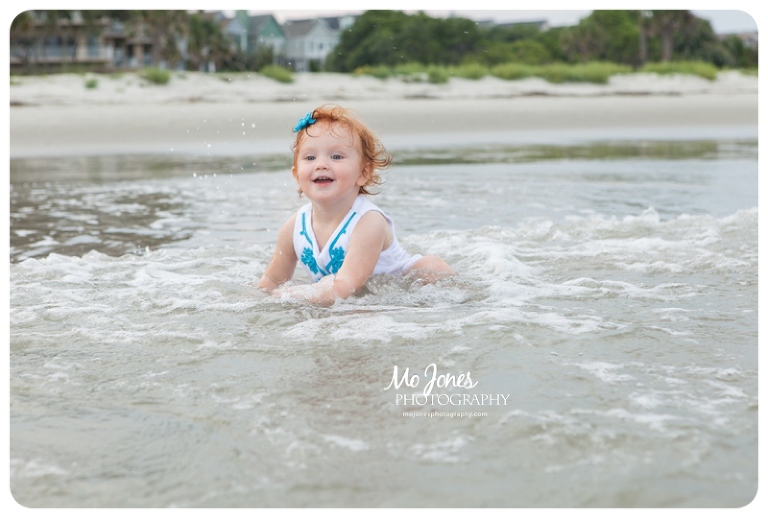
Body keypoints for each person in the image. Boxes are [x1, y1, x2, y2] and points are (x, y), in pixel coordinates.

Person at [258, 104, 455, 305]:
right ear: (296, 176)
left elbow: (346, 287)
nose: (321, 164)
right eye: (310, 157)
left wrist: (300, 294)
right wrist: (253, 301)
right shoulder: (294, 227)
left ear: (363, 173)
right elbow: (272, 280)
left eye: (336, 156)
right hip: (349, 294)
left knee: (431, 268)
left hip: (401, 289)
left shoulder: (368, 221)